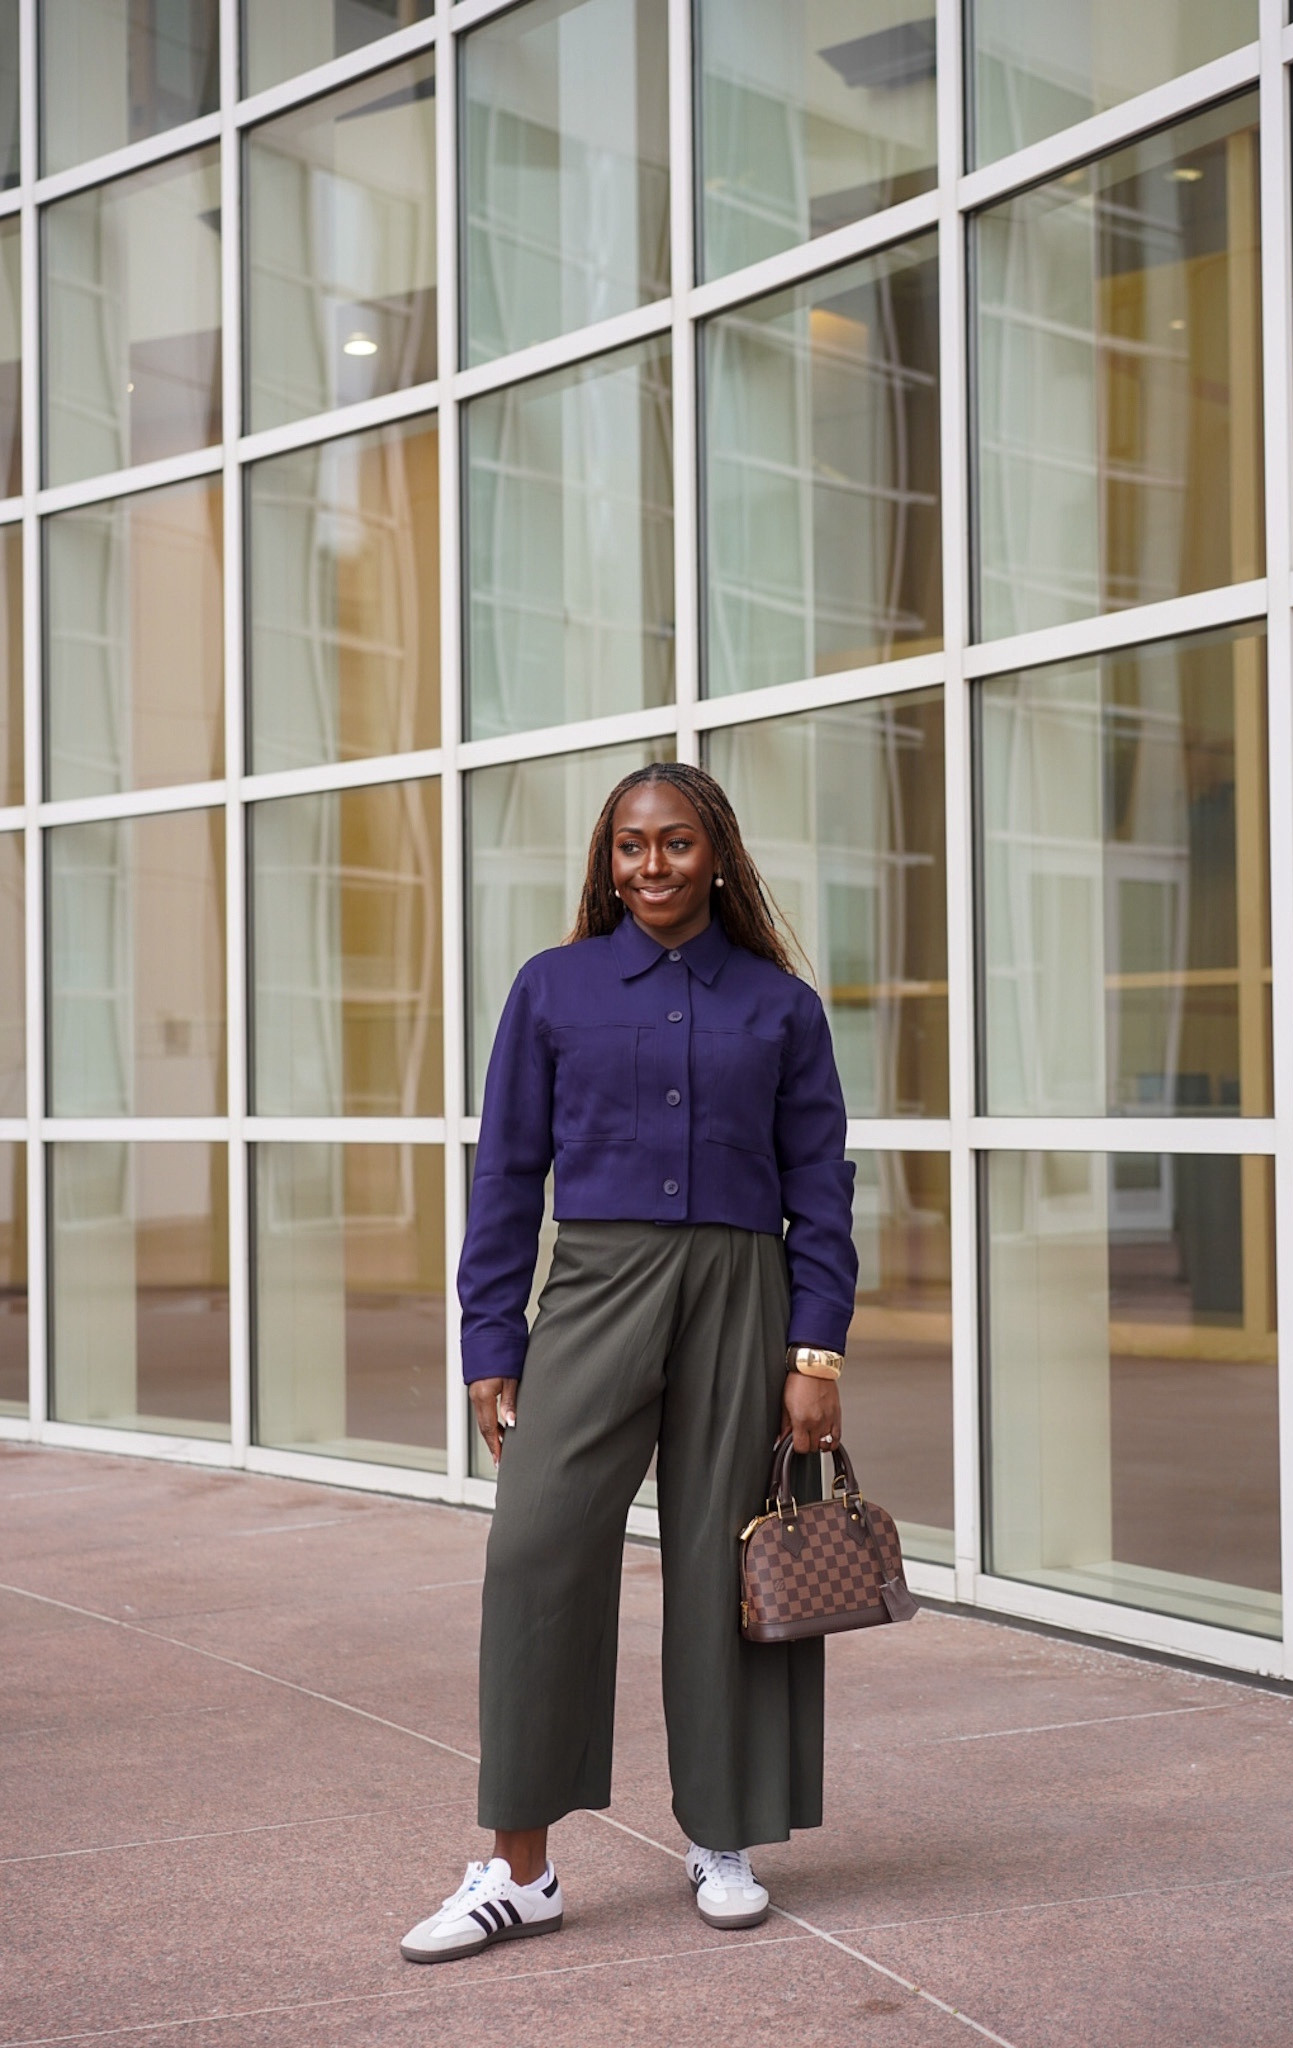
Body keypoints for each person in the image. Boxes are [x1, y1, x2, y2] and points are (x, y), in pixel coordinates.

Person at [400, 761, 857, 1963]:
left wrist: (817, 1347)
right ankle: (519, 1866)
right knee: (537, 1544)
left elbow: (822, 1187)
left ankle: (725, 1831)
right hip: (595, 1289)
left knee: (723, 1563)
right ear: (608, 863)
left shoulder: (781, 1007)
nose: (652, 866)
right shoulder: (551, 989)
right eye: (630, 848)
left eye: (676, 844)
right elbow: (505, 1173)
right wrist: (491, 1335)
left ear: (719, 855)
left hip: (741, 1297)